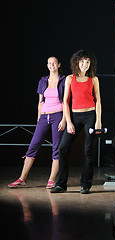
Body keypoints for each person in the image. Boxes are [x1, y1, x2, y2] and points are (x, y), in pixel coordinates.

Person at [8, 56, 66, 189]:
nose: (52, 65)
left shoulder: (64, 80)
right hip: (44, 117)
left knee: (56, 149)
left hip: (58, 115)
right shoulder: (43, 81)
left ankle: (51, 180)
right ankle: (22, 178)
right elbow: (40, 102)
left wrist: (64, 119)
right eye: (49, 63)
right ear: (47, 65)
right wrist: (39, 119)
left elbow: (66, 102)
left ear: (58, 65)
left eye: (54, 63)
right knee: (33, 147)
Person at [50, 50, 102, 194]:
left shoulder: (94, 79)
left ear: (90, 64)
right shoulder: (69, 79)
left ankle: (86, 185)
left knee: (88, 150)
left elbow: (98, 101)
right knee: (63, 148)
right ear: (76, 62)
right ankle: (61, 184)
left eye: (87, 62)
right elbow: (65, 102)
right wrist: (69, 122)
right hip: (74, 117)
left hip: (90, 116)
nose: (85, 64)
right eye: (82, 61)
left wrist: (98, 120)